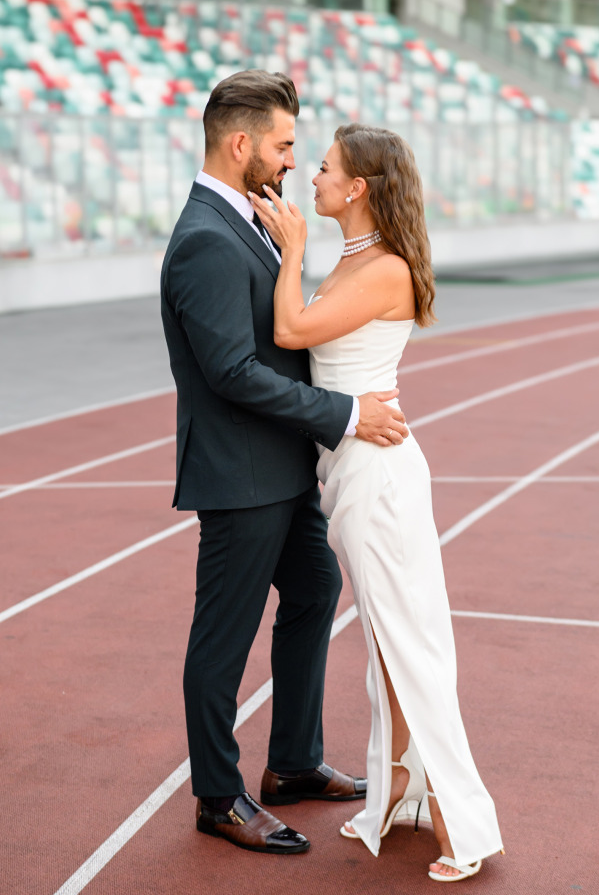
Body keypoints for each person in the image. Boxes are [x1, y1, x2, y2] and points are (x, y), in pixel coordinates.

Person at [160, 72, 410, 856]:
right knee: (222, 639)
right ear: (241, 144)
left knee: (314, 589)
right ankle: (218, 797)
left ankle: (294, 763)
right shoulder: (206, 238)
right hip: (241, 475)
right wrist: (346, 413)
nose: (293, 160)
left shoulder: (250, 217)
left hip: (282, 464)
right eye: (284, 144)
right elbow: (234, 372)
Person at [251, 123, 504, 882]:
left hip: (379, 476)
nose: (312, 177)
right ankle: (396, 783)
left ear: (357, 188)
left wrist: (291, 251)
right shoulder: (356, 258)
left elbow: (290, 328)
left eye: (326, 168)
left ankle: (462, 820)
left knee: (408, 643)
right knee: (387, 642)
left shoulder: (385, 267)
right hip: (353, 466)